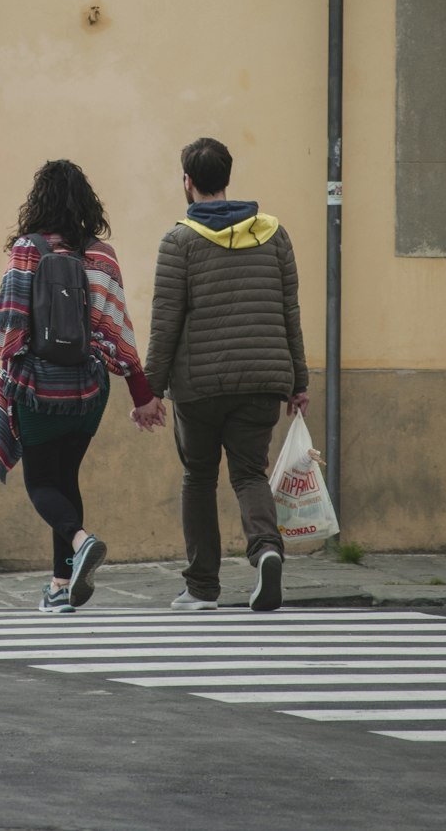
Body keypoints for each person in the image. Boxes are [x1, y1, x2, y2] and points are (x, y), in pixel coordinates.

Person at [0, 159, 165, 614]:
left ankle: (82, 541)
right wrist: (141, 393)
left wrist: (13, 362)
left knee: (41, 483)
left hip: (39, 389)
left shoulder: (28, 249)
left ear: (39, 200)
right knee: (65, 480)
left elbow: (9, 325)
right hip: (88, 391)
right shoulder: (101, 255)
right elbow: (117, 328)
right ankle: (61, 586)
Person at [140, 137, 309, 612]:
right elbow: (288, 311)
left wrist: (149, 391)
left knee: (198, 477)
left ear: (187, 181)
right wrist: (299, 381)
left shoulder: (178, 241)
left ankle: (201, 587)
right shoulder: (275, 234)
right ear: (227, 177)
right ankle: (267, 550)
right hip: (263, 381)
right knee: (250, 473)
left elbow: (166, 321)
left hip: (200, 386)